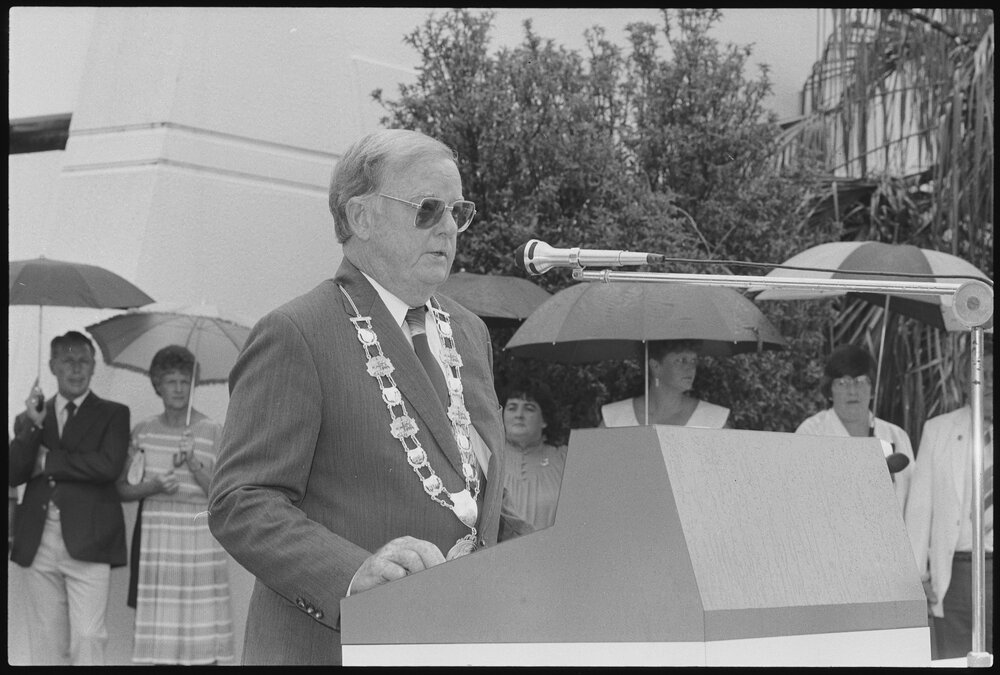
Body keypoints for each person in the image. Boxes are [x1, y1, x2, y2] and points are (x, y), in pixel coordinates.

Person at [207, 128, 510, 665]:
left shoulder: (469, 333)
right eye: (427, 209)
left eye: (457, 211)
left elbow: (478, 503)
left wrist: (581, 551)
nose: (447, 227)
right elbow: (242, 501)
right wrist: (354, 573)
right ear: (361, 217)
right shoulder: (299, 331)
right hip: (335, 650)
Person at [8, 330, 130, 665]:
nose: (76, 369)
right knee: (46, 641)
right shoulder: (32, 416)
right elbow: (13, 473)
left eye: (83, 362)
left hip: (90, 540)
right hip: (38, 541)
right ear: (52, 366)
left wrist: (48, 462)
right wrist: (32, 427)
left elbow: (108, 465)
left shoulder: (114, 414)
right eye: (68, 361)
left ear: (93, 368)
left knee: (89, 638)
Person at [116, 345, 234, 665]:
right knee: (162, 639)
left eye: (185, 380)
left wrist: (193, 462)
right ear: (158, 385)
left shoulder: (211, 430)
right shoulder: (143, 431)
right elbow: (123, 490)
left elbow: (222, 494)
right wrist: (153, 486)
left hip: (198, 536)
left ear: (193, 384)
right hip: (158, 540)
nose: (179, 388)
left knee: (201, 633)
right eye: (171, 381)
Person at [905, 339, 993, 659]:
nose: (990, 384)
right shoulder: (937, 430)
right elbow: (919, 511)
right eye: (985, 374)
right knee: (955, 660)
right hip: (954, 575)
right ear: (967, 380)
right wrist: (918, 578)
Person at [796, 344, 914, 510]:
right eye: (843, 383)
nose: (852, 391)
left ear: (872, 388)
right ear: (830, 390)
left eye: (860, 381)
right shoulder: (810, 433)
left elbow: (911, 501)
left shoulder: (896, 436)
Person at [600, 339, 730, 428]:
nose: (691, 368)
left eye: (693, 361)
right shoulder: (615, 419)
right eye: (681, 360)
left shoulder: (713, 421)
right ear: (655, 366)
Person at [501, 384, 568, 534]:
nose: (519, 415)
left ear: (545, 420)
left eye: (529, 408)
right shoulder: (486, 457)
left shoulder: (566, 459)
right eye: (512, 408)